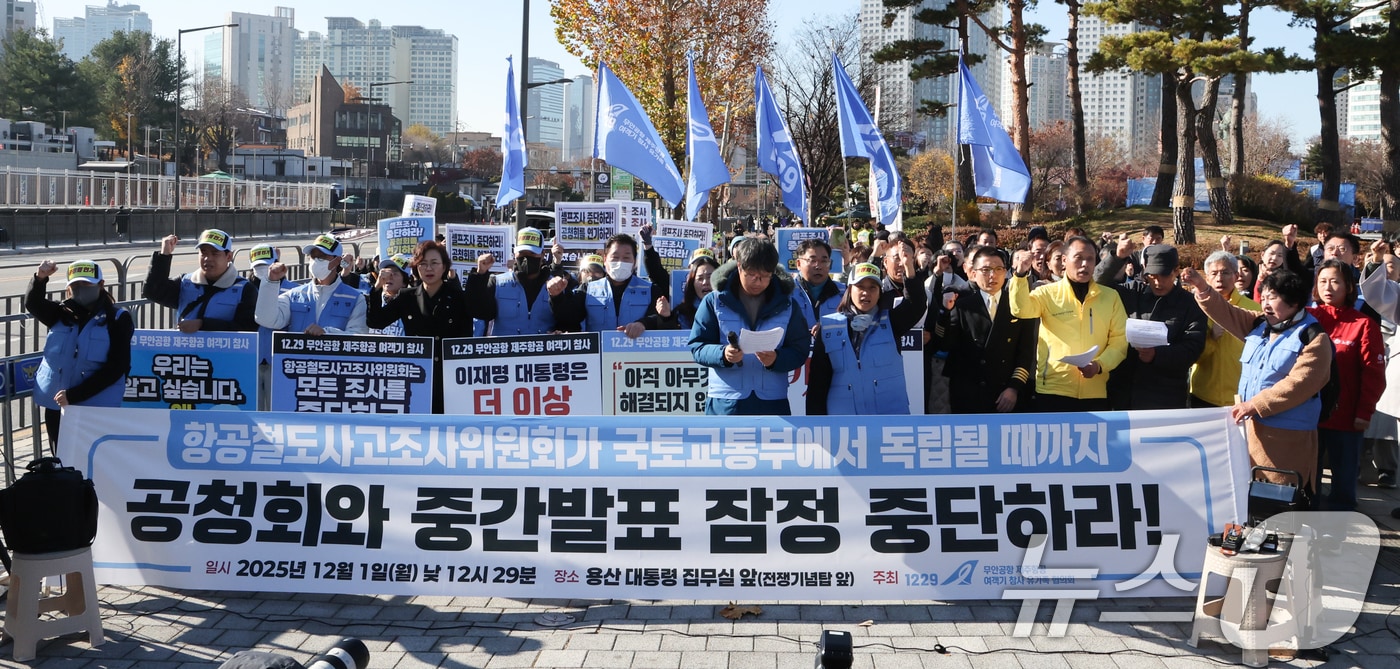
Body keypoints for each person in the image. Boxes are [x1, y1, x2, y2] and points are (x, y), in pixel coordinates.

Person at [1182, 267, 1332, 495]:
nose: (1266, 304)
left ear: (1294, 303)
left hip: (1287, 436)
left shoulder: (1313, 338)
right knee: (1247, 494)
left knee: (1278, 498)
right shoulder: (1260, 324)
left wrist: (1255, 404)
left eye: (1274, 298)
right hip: (1250, 429)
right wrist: (1202, 287)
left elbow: (1299, 383)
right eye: (1265, 297)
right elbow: (1227, 312)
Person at [688, 238, 810, 415]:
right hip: (725, 401)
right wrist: (723, 354)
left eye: (765, 276)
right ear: (739, 266)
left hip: (773, 402)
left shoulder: (788, 305)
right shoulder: (714, 301)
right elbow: (697, 346)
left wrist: (776, 359)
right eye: (751, 274)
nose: (758, 282)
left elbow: (800, 349)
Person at [1009, 236, 1129, 412]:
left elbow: (1120, 341)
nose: (1084, 264)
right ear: (1064, 260)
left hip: (1095, 390)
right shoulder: (1046, 293)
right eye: (1078, 258)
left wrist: (1099, 365)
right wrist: (1020, 276)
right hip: (1053, 389)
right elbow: (1020, 310)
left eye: (1090, 259)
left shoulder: (1110, 297)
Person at [366, 240, 483, 413]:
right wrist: (377, 288)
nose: (429, 268)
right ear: (416, 268)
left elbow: (480, 314)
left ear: (444, 267)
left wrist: (480, 274)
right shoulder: (407, 296)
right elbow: (376, 321)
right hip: (417, 376)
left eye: (434, 263)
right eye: (423, 264)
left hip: (450, 379)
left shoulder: (458, 297)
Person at [27, 259, 134, 449]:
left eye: (86, 284)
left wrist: (75, 395)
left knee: (94, 458)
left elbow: (117, 367)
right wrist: (40, 278)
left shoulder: (118, 319)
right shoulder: (60, 313)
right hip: (59, 406)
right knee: (60, 458)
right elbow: (33, 303)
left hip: (96, 406)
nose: (80, 289)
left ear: (101, 284)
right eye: (75, 285)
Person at [1309, 258, 1385, 511]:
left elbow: (1374, 374)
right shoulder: (1307, 318)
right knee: (1308, 483)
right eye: (1322, 281)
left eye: (1335, 281)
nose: (1327, 287)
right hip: (1308, 415)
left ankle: (1340, 523)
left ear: (1349, 287)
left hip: (1346, 418)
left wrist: (1365, 412)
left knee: (1343, 486)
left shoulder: (1363, 324)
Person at [1096, 242, 1207, 410]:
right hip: (1122, 392)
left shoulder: (1190, 304)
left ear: (1176, 271)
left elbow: (1193, 347)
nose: (1157, 282)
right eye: (1152, 275)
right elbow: (1097, 283)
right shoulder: (1132, 292)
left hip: (1165, 397)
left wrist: (1157, 355)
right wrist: (1117, 258)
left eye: (1164, 275)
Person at [929, 246, 1038, 414]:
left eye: (998, 269)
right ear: (973, 273)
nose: (992, 275)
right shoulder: (962, 305)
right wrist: (944, 312)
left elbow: (1026, 352)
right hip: (969, 393)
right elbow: (944, 344)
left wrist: (1014, 387)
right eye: (986, 270)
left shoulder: (1018, 304)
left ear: (1005, 272)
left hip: (1006, 393)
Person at [809, 262, 927, 414]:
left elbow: (916, 304)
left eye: (872, 287)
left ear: (880, 292)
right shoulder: (829, 326)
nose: (866, 293)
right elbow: (817, 383)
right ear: (849, 289)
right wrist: (816, 422)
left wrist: (909, 267)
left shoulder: (892, 321)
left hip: (889, 417)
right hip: (844, 419)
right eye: (860, 287)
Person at [143, 229, 258, 333]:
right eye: (203, 252)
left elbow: (248, 327)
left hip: (224, 350)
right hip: (186, 349)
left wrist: (203, 325)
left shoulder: (245, 289)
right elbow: (153, 292)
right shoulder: (186, 282)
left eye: (215, 253)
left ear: (228, 257)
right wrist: (164, 255)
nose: (208, 258)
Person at [255, 233, 369, 336]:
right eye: (313, 256)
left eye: (322, 256)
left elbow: (359, 336)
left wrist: (327, 333)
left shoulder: (355, 299)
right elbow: (266, 319)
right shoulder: (294, 295)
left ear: (337, 260)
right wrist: (271, 281)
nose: (316, 261)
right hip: (298, 353)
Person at [563, 232, 671, 337]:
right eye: (615, 257)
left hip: (636, 348)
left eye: (626, 258)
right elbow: (569, 318)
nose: (620, 263)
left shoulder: (650, 290)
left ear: (634, 262)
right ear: (605, 260)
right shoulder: (587, 290)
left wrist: (644, 323)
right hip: (599, 349)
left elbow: (661, 318)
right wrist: (557, 296)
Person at [1190, 251, 1261, 408]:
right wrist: (1211, 339)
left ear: (1236, 276)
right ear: (1207, 278)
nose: (1219, 278)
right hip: (1204, 394)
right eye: (1214, 273)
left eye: (1225, 272)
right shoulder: (1196, 309)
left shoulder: (1253, 310)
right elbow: (1191, 356)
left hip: (1241, 396)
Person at [473, 227, 572, 336]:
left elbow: (569, 322)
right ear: (514, 254)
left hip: (542, 346)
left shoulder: (557, 285)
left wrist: (557, 298)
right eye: (522, 253)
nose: (526, 258)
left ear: (543, 254)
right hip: (506, 346)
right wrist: (480, 275)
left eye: (532, 253)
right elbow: (478, 311)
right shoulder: (497, 283)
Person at [248, 244, 294, 411]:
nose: (263, 270)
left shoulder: (293, 290)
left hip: (279, 360)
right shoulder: (245, 289)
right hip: (251, 358)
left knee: (277, 408)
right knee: (254, 406)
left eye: (266, 265)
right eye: (258, 266)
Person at [793, 238, 843, 330]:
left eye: (824, 261)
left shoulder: (843, 292)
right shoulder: (786, 292)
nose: (818, 266)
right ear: (799, 264)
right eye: (812, 260)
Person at [369, 254, 412, 337]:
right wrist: (377, 286)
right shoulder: (369, 300)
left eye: (394, 274)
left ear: (404, 282)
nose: (389, 277)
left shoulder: (410, 305)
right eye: (386, 273)